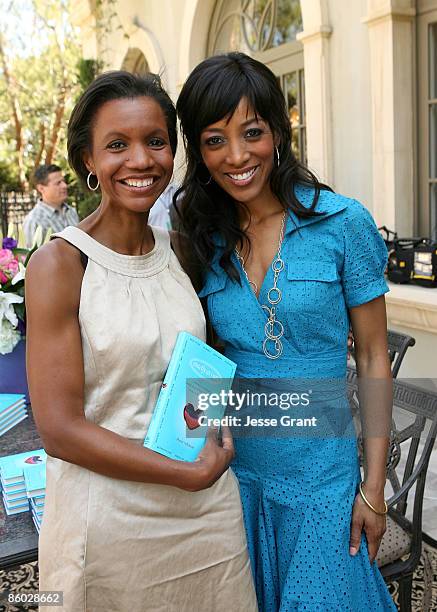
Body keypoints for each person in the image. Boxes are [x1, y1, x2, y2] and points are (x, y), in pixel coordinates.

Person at [25, 71, 257, 611]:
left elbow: (200, 361)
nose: (141, 160)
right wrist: (185, 472)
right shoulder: (61, 264)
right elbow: (59, 429)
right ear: (88, 159)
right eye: (117, 145)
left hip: (205, 515)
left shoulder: (182, 249)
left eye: (156, 141)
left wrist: (211, 430)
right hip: (111, 524)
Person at [176, 53, 396, 611]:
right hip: (236, 476)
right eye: (214, 140)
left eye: (251, 132)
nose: (237, 156)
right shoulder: (202, 237)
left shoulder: (344, 224)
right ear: (198, 153)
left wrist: (374, 488)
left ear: (278, 130)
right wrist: (187, 451)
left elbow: (373, 358)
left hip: (323, 474)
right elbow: (205, 361)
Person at [23, 164, 79, 247]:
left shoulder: (71, 211)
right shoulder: (34, 220)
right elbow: (31, 257)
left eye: (63, 181)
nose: (64, 186)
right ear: (41, 188)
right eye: (58, 183)